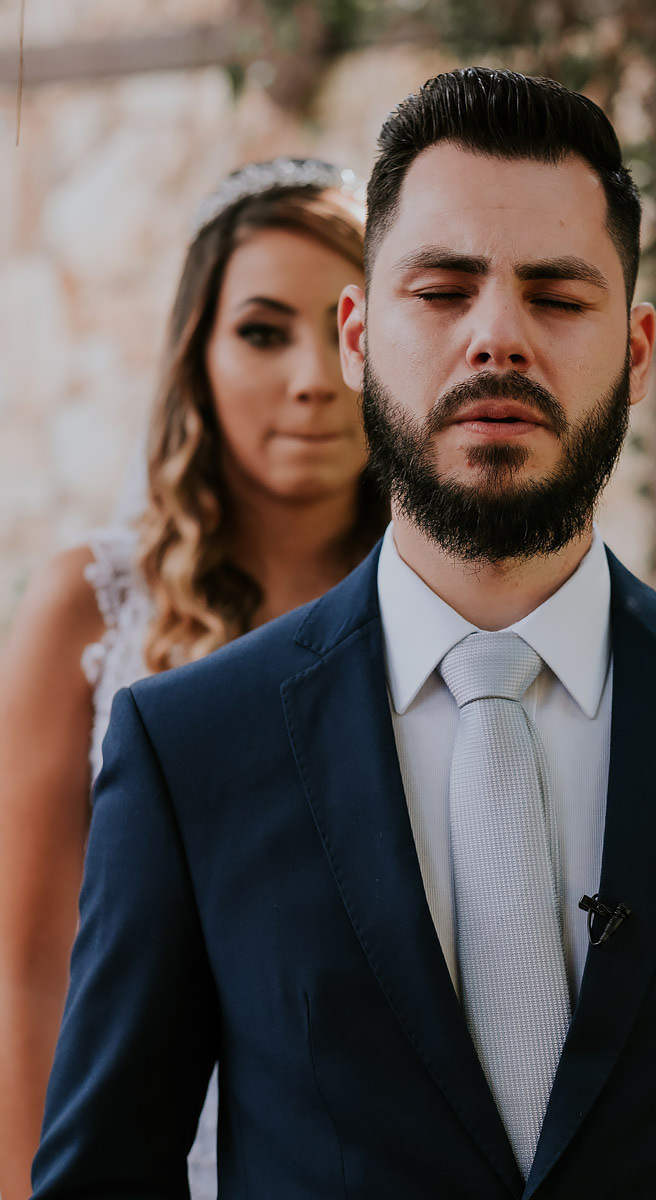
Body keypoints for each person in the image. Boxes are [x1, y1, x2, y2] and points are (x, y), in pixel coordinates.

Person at [29, 68, 656, 1200]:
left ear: (636, 352)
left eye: (556, 296)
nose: (496, 337)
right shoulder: (188, 748)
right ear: (358, 337)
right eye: (441, 291)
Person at [0, 157, 386, 1200]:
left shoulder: (440, 611)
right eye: (262, 331)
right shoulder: (89, 607)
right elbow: (30, 969)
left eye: (341, 327)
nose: (312, 375)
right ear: (197, 354)